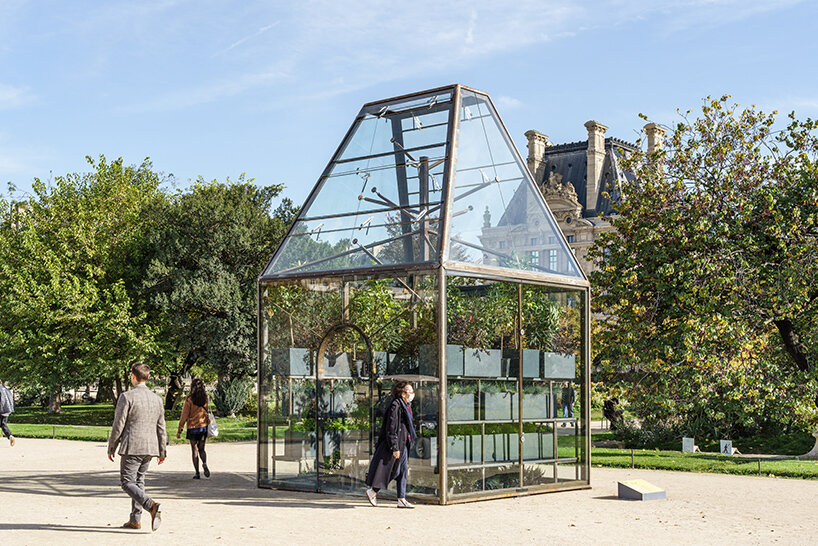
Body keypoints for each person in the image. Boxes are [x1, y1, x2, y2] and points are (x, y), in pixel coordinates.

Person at [108, 363, 167, 532]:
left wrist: (112, 445)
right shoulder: (157, 399)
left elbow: (118, 424)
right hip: (150, 447)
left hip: (132, 446)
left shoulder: (127, 397)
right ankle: (135, 519)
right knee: (139, 481)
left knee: (127, 482)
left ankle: (151, 505)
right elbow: (161, 427)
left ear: (133, 376)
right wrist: (162, 451)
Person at [365, 381, 417, 509]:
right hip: (396, 444)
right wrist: (394, 447)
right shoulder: (396, 405)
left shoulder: (406, 405)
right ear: (402, 393)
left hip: (403, 443)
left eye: (412, 391)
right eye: (409, 392)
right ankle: (373, 491)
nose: (412, 394)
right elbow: (391, 427)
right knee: (395, 471)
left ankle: (401, 498)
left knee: (403, 470)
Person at [176, 378, 211, 479]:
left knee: (194, 450)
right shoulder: (205, 398)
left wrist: (180, 429)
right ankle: (204, 463)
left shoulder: (189, 399)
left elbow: (184, 415)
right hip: (203, 426)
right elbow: (206, 411)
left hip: (192, 427)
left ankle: (197, 473)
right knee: (202, 449)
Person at [0, 382, 15, 447]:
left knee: (2, 424)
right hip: (7, 410)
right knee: (3, 424)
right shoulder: (7, 390)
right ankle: (10, 436)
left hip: (1, 409)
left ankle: (10, 436)